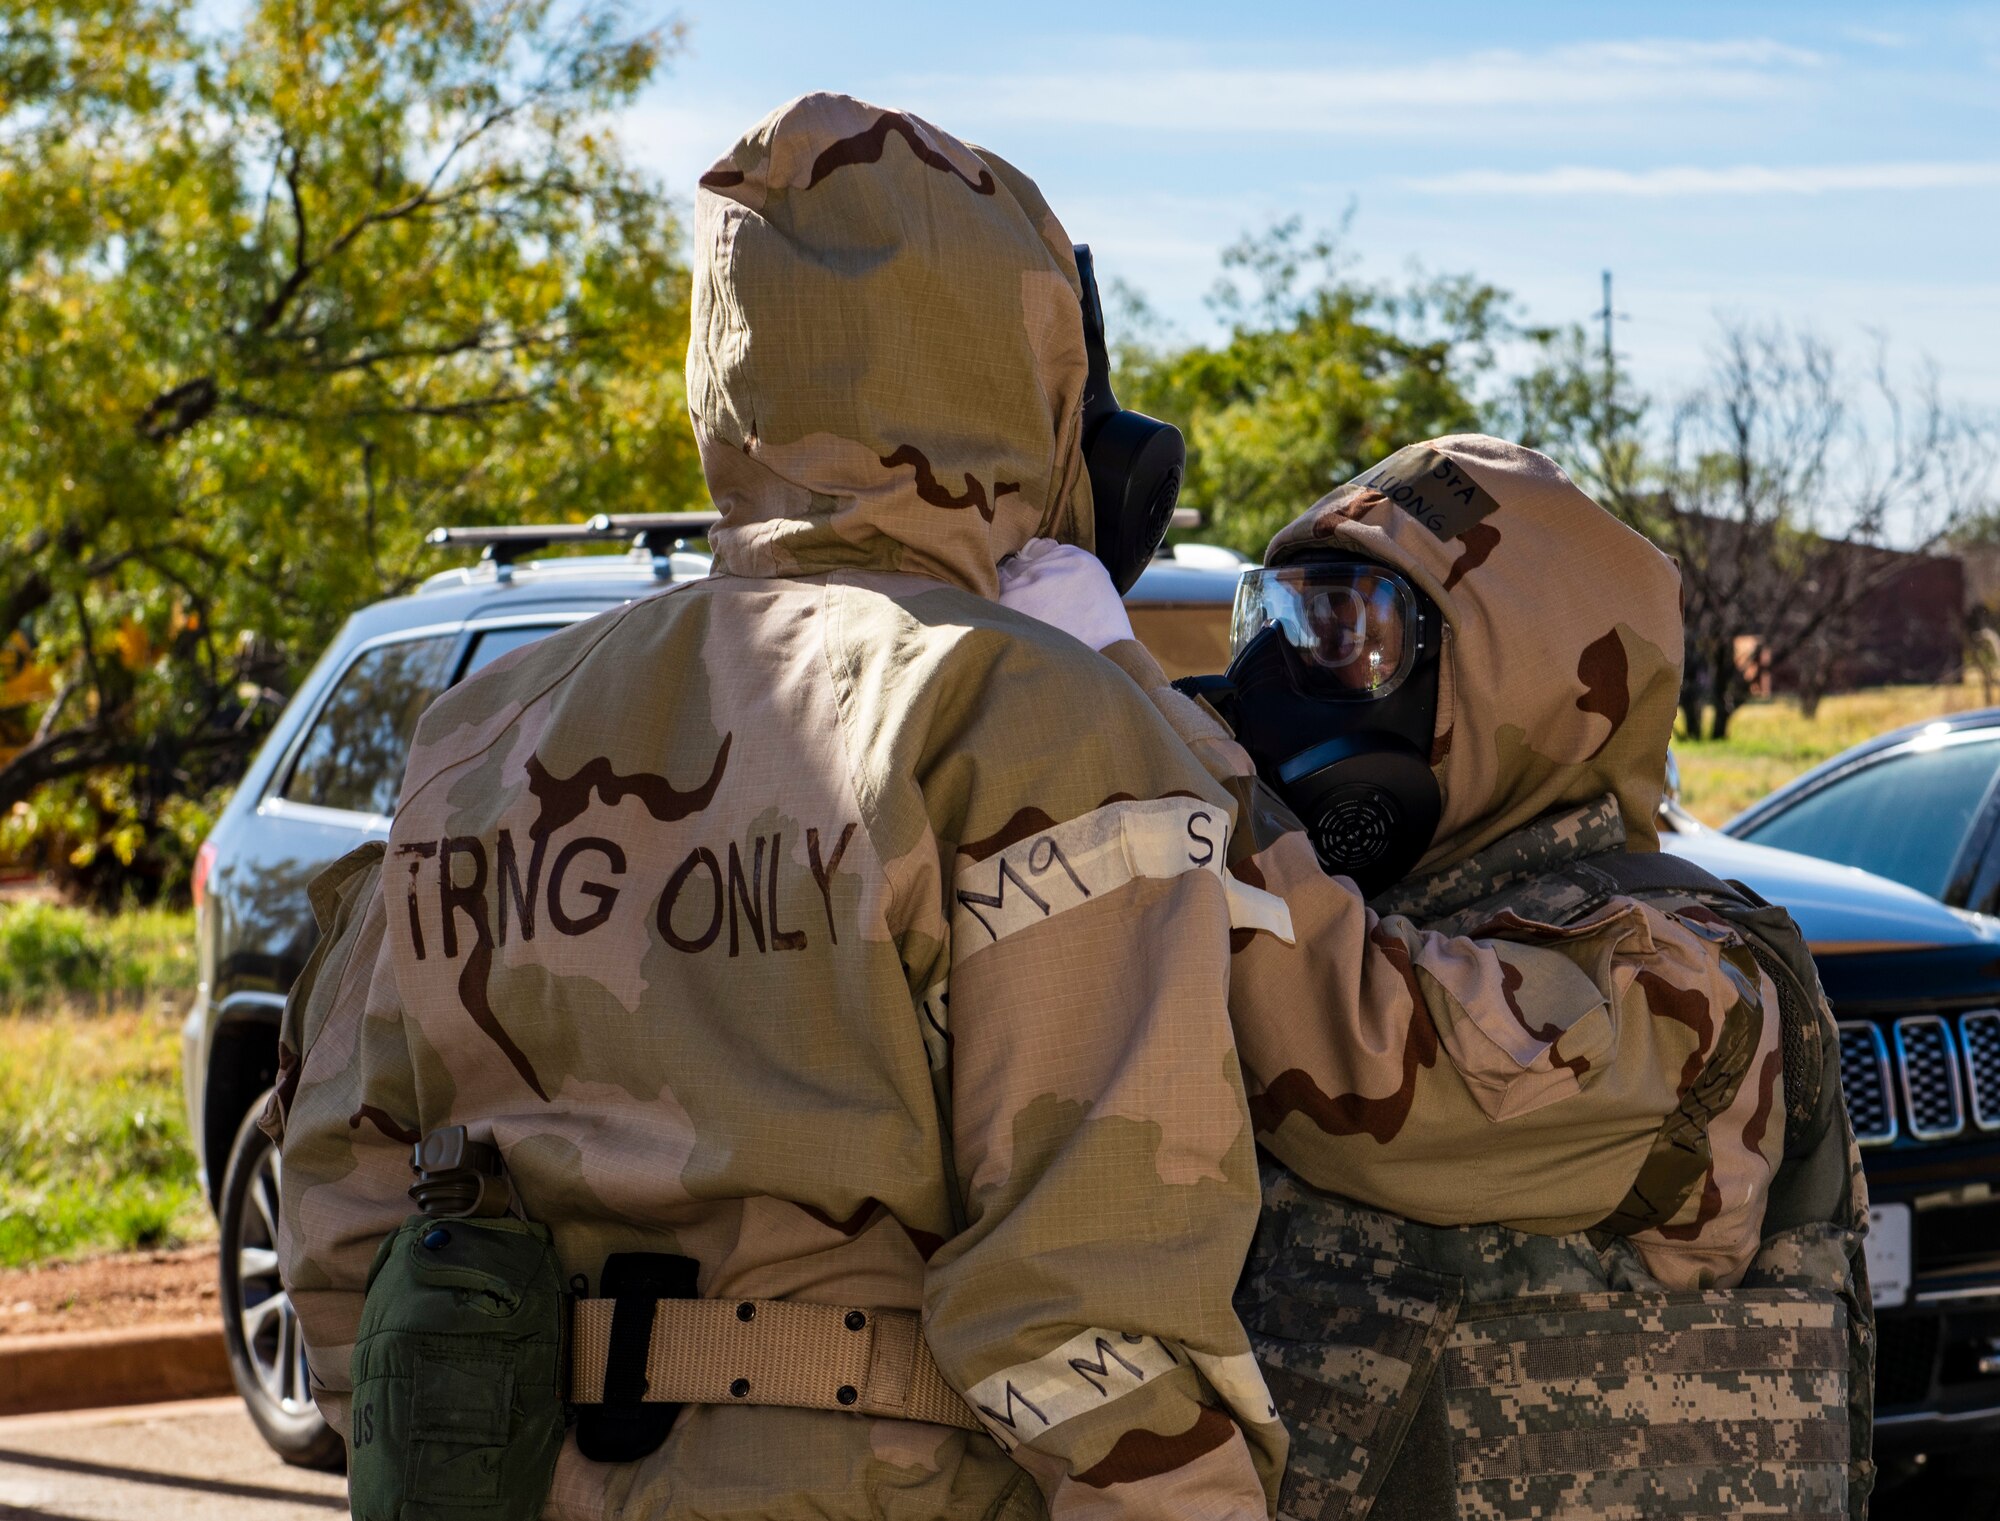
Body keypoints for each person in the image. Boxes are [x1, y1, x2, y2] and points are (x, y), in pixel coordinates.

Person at [265, 92, 1293, 1521]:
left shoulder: (487, 727)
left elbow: (340, 1197)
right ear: (1032, 373)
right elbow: (1089, 1303)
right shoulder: (1033, 721)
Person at [1003, 435, 1872, 1519]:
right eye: (1276, 620)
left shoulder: (1685, 970)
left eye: (1346, 636)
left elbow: (1373, 1065)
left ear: (1517, 683)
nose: (1277, 672)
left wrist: (1129, 715)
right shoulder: (1351, 911)